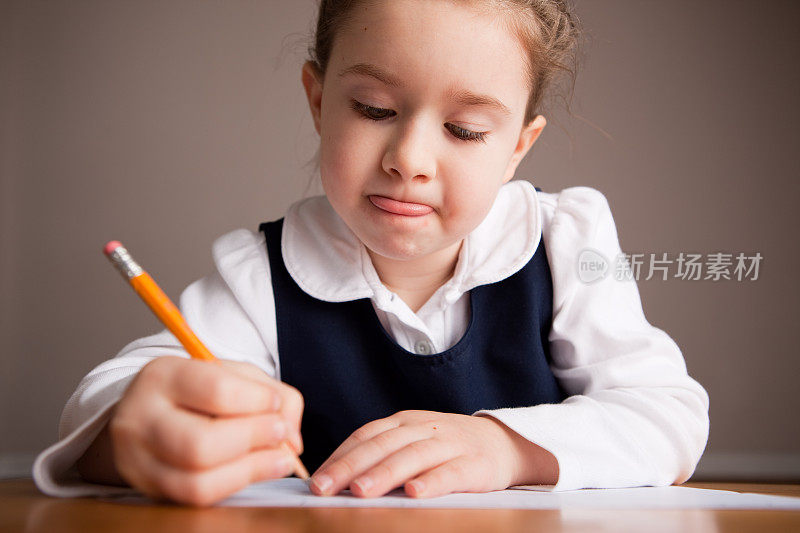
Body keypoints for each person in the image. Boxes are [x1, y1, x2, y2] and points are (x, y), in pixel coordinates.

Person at [33, 0, 709, 506]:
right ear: (319, 100)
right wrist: (129, 429)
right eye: (373, 108)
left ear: (517, 148)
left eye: (465, 130)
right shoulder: (261, 275)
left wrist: (505, 447)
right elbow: (104, 403)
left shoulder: (566, 240)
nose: (410, 160)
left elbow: (669, 415)